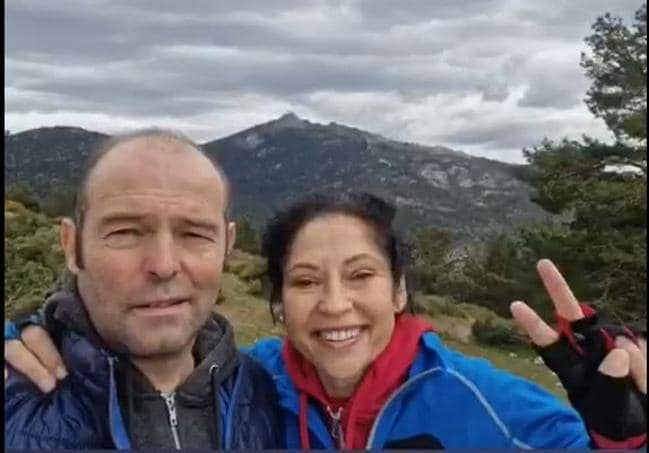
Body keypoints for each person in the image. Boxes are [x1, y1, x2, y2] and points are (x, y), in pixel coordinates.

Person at [6, 192, 646, 448]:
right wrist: (37, 342)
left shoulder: (488, 402)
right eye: (307, 281)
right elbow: (135, 386)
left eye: (362, 276)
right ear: (278, 304)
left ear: (398, 291)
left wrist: (629, 435)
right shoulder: (239, 389)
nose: (336, 304)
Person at [4, 129, 282, 449]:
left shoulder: (268, 394)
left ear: (227, 248)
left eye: (195, 234)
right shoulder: (16, 402)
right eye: (126, 232)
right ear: (72, 246)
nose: (163, 266)